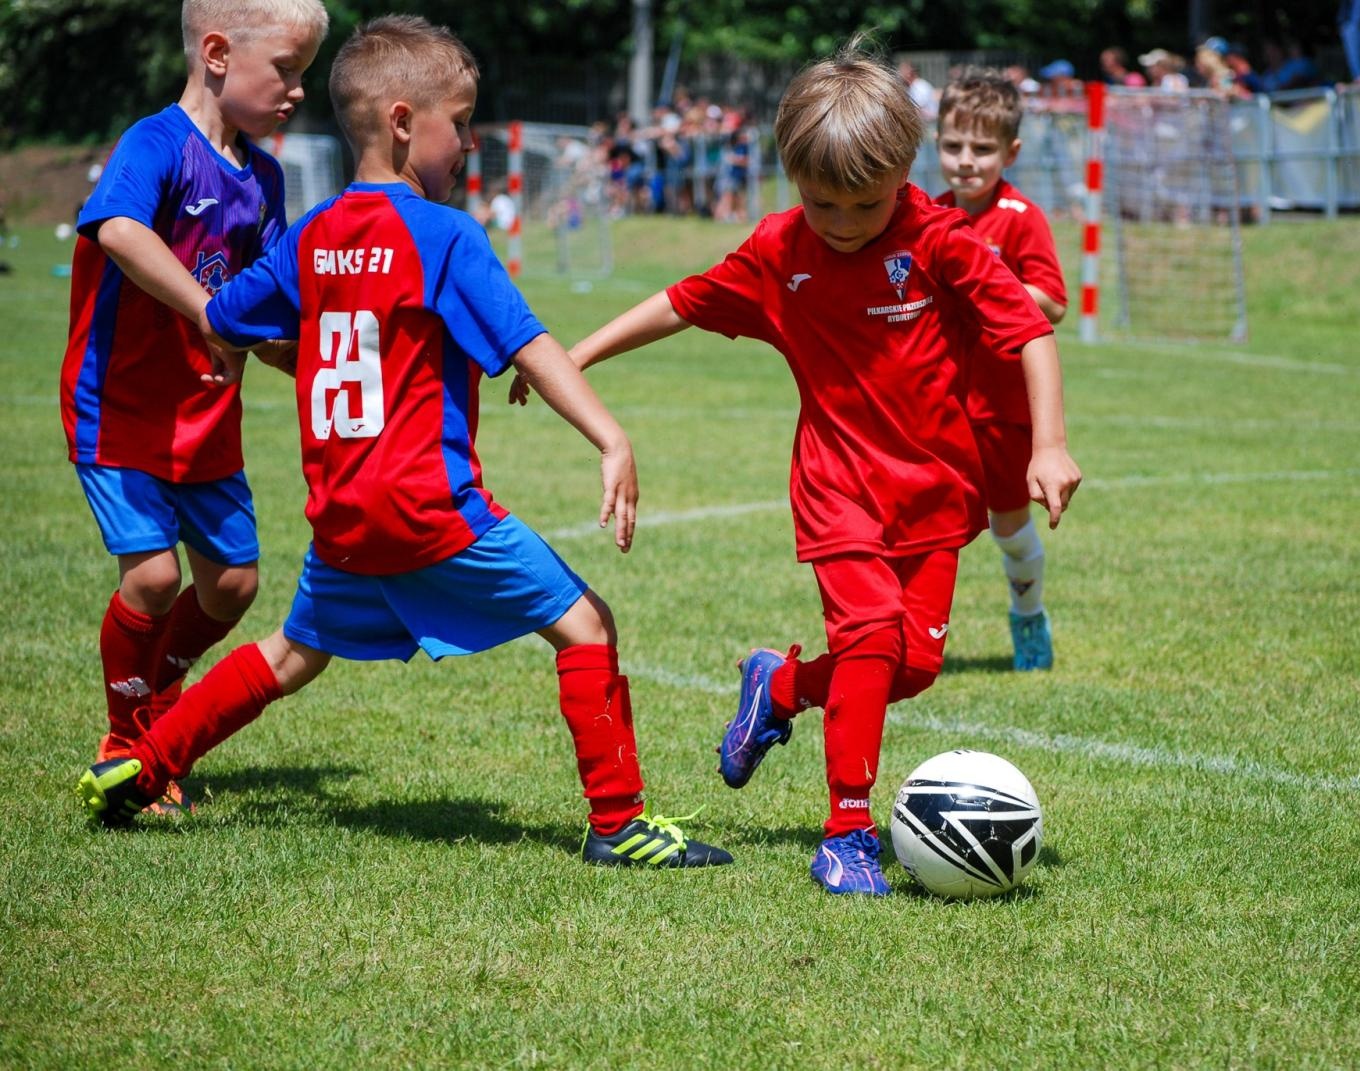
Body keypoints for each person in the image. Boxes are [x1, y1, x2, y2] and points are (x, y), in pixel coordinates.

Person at [74, 15, 733, 870]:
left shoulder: (311, 236)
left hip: (345, 515)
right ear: (398, 121)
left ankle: (145, 759)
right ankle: (619, 824)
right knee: (587, 626)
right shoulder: (444, 236)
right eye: (456, 122)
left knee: (287, 655)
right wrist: (609, 434)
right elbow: (528, 342)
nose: (465, 142)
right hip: (431, 509)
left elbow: (228, 315)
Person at [558, 39, 1082, 895]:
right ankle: (847, 832)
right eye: (820, 202)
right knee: (872, 639)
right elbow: (681, 302)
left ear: (903, 175)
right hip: (837, 489)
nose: (839, 223)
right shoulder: (779, 249)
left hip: (936, 493)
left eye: (862, 206)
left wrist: (1049, 444)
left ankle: (782, 684)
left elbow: (1029, 331)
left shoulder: (941, 240)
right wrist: (573, 357)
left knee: (909, 668)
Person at [59, 0, 328, 815]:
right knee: (152, 577)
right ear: (216, 52)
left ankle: (156, 699)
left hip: (208, 416)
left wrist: (320, 364)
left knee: (232, 585)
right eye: (286, 70)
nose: (298, 92)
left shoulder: (268, 178)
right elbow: (118, 232)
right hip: (121, 408)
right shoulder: (156, 144)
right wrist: (207, 314)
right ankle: (128, 735)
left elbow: (265, 311)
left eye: (305, 74)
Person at [931, 71, 1068, 672]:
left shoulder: (1019, 217)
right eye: (953, 146)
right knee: (927, 527)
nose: (966, 162)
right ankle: (912, 640)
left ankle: (1029, 617)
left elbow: (1054, 301)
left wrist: (987, 290)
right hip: (936, 404)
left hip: (1001, 409)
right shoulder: (927, 214)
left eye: (982, 149)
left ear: (1010, 152)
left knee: (1009, 528)